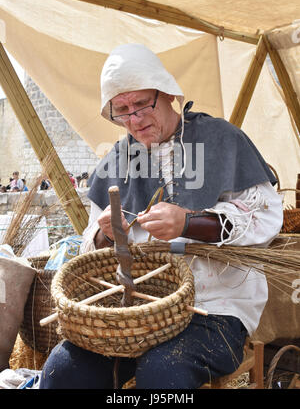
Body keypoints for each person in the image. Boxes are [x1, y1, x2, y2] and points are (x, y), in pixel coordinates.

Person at [40, 43, 283, 389]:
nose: (134, 120)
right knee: (64, 370)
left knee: (163, 372)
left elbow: (265, 217)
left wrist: (188, 223)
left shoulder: (220, 139)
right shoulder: (117, 160)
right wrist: (108, 234)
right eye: (121, 110)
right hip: (137, 306)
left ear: (167, 93)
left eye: (141, 104)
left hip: (214, 307)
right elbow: (90, 247)